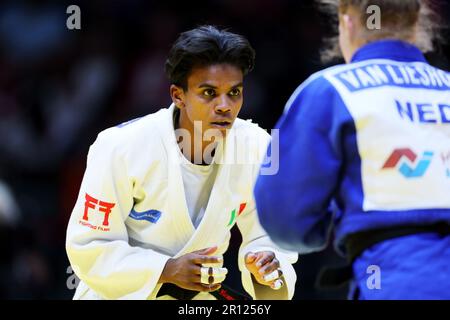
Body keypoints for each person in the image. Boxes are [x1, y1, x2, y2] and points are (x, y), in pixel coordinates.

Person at [66, 25, 297, 300]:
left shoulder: (257, 147)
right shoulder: (121, 147)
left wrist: (267, 264)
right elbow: (90, 246)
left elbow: (268, 236)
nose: (225, 106)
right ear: (178, 95)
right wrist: (166, 270)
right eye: (209, 93)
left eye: (234, 93)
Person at [254, 0, 450, 299]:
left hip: (395, 282)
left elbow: (286, 222)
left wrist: (332, 219)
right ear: (417, 24)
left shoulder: (328, 90)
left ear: (346, 23)